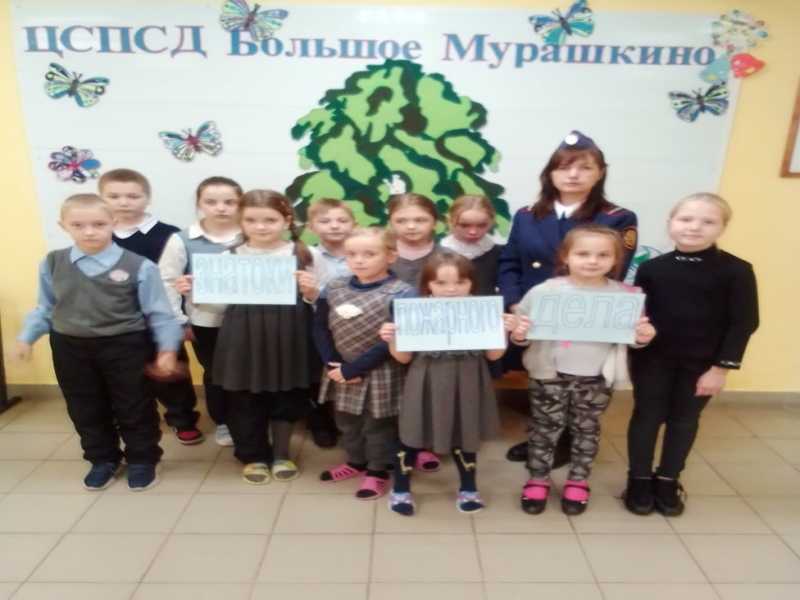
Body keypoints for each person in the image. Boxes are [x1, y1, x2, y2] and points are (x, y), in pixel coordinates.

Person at [15, 194, 182, 491]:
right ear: (63, 226)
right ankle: (102, 458)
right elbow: (45, 307)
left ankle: (142, 459)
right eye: (78, 225)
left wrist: (167, 350)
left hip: (125, 345)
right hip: (70, 347)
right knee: (84, 406)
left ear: (113, 223)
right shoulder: (53, 262)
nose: (89, 231)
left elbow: (160, 314)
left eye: (99, 224)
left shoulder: (139, 266)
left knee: (134, 405)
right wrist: (26, 338)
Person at [499, 131, 638, 464]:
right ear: (550, 173)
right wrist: (516, 303)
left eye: (584, 167)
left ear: (600, 173)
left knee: (577, 381)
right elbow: (510, 263)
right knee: (542, 376)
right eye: (564, 167)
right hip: (532, 314)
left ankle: (568, 441)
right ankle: (543, 437)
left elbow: (614, 271)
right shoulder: (527, 215)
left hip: (581, 315)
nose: (573, 175)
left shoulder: (616, 218)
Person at [624, 193, 758, 517]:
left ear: (722, 227)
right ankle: (639, 479)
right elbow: (640, 315)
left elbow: (744, 322)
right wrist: (637, 335)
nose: (695, 227)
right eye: (686, 219)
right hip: (652, 360)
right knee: (646, 416)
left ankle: (668, 479)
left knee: (684, 420)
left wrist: (721, 369)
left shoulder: (737, 270)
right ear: (671, 223)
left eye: (708, 221)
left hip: (703, 364)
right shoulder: (652, 269)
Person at [511, 225, 655, 515]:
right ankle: (538, 479)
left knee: (586, 429)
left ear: (615, 260)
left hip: (597, 378)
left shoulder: (625, 296)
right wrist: (519, 334)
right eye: (583, 253)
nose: (592, 260)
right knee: (544, 428)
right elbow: (522, 331)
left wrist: (643, 337)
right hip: (549, 374)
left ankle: (578, 480)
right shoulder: (545, 291)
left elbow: (632, 337)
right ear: (566, 256)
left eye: (603, 255)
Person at [200, 190, 325, 484]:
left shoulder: (306, 254)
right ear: (241, 222)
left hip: (290, 334)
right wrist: (195, 293)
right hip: (243, 334)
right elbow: (216, 306)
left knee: (287, 395)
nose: (261, 226)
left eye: (270, 220)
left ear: (286, 220)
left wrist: (312, 292)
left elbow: (325, 299)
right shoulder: (228, 257)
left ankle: (282, 454)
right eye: (251, 220)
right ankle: (253, 456)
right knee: (244, 398)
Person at [380, 251, 518, 516]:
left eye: (460, 282)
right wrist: (392, 338)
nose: (451, 289)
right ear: (427, 285)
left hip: (468, 379)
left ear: (472, 284)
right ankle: (401, 488)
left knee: (465, 432)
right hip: (425, 379)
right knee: (412, 431)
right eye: (441, 283)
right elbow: (403, 357)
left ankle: (468, 487)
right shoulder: (414, 310)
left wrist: (503, 330)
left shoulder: (482, 310)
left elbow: (494, 355)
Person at [100, 168, 203, 445]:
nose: (124, 202)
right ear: (102, 198)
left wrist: (183, 319)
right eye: (114, 196)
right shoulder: (99, 234)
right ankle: (134, 418)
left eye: (133, 196)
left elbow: (180, 280)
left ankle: (182, 418)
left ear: (147, 198)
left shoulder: (170, 235)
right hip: (118, 318)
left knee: (170, 369)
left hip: (162, 317)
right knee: (125, 372)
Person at [314, 227, 411, 500]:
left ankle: (378, 470)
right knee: (346, 420)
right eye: (352, 254)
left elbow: (393, 340)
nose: (359, 260)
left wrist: (354, 369)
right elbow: (319, 327)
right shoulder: (333, 287)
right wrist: (333, 364)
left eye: (369, 254)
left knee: (378, 424)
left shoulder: (403, 292)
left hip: (381, 370)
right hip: (339, 368)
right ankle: (356, 461)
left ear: (391, 256)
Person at [159, 176, 242, 447]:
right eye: (211, 201)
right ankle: (224, 422)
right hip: (207, 321)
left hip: (252, 321)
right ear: (199, 204)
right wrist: (179, 320)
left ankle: (251, 418)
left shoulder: (252, 234)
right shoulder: (182, 240)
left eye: (229, 202)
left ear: (240, 204)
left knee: (250, 370)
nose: (221, 207)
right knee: (216, 373)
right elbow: (167, 281)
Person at [386, 192, 442, 472]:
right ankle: (394, 443)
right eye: (402, 220)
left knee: (427, 391)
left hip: (433, 338)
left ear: (435, 222)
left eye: (420, 220)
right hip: (388, 335)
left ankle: (425, 444)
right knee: (392, 389)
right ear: (390, 222)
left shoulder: (446, 256)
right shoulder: (382, 254)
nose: (411, 226)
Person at [304, 198, 357, 448]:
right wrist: (311, 293)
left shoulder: (362, 252)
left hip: (358, 326)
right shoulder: (307, 255)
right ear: (311, 227)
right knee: (318, 373)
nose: (334, 226)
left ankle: (351, 422)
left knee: (351, 370)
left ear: (354, 224)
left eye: (342, 220)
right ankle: (320, 423)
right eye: (325, 221)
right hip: (320, 323)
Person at [440, 195, 503, 295]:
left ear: (491, 222)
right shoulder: (436, 254)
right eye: (464, 225)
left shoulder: (500, 253)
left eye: (481, 225)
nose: (473, 232)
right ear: (450, 221)